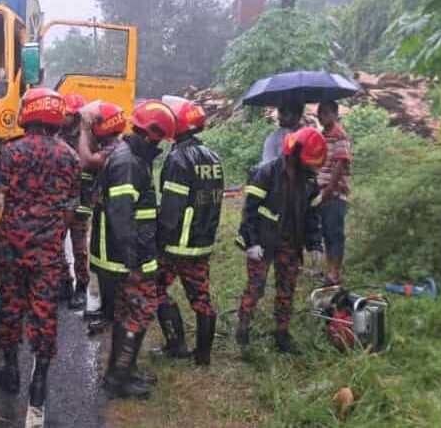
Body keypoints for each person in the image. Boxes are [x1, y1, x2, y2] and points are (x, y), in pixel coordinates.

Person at [0, 88, 80, 410]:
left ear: (28, 113)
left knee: (11, 306)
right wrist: (56, 233)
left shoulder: (9, 153)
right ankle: (40, 381)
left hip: (11, 248)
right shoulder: (70, 157)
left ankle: (10, 368)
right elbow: (70, 209)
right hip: (47, 250)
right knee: (45, 311)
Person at [93, 100, 176, 399]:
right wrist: (134, 263)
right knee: (139, 313)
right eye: (160, 141)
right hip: (128, 258)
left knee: (126, 315)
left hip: (130, 254)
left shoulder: (131, 157)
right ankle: (118, 380)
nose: (160, 147)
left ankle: (123, 370)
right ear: (151, 134)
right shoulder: (128, 163)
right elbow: (121, 216)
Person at [235, 127, 326, 354]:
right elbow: (250, 211)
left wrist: (315, 243)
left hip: (290, 242)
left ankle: (282, 334)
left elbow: (312, 216)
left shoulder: (309, 181)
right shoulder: (266, 173)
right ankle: (243, 329)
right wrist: (252, 241)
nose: (310, 167)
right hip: (264, 241)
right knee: (255, 287)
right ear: (294, 153)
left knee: (287, 288)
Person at [154, 97, 224, 366]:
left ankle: (176, 346)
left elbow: (172, 209)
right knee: (201, 298)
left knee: (156, 289)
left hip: (176, 245)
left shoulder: (177, 158)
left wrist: (159, 241)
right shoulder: (213, 157)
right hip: (202, 242)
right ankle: (203, 357)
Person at [77, 102, 128, 334]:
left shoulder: (114, 148)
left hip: (113, 214)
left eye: (96, 122)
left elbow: (86, 160)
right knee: (100, 264)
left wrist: (84, 131)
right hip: (104, 211)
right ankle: (106, 309)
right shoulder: (110, 144)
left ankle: (111, 315)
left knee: (109, 267)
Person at [316, 101, 352, 286]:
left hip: (334, 193)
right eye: (319, 113)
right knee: (327, 233)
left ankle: (334, 272)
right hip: (322, 192)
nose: (320, 116)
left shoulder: (339, 135)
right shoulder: (323, 135)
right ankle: (330, 270)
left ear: (334, 114)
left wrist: (330, 189)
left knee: (334, 232)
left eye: (324, 113)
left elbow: (340, 162)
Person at [59, 93, 89, 309]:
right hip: (59, 200)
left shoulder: (88, 137)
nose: (65, 117)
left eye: (69, 114)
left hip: (81, 201)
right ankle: (64, 284)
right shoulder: (57, 133)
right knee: (56, 244)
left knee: (80, 249)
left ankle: (82, 288)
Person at [261, 98, 304, 164]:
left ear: (297, 114)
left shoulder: (308, 135)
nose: (279, 116)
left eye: (285, 112)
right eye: (280, 111)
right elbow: (267, 167)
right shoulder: (274, 139)